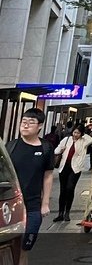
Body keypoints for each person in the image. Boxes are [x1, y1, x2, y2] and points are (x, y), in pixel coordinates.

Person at [7, 108, 54, 261]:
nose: (25, 125)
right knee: (9, 246)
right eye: (23, 122)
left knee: (24, 247)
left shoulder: (46, 148)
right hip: (11, 204)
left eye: (30, 122)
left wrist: (45, 203)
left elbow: (48, 176)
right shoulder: (11, 147)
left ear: (39, 126)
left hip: (33, 206)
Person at [53, 123, 92, 222]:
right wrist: (61, 149)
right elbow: (56, 151)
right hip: (64, 167)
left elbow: (91, 139)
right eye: (75, 132)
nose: (76, 134)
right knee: (63, 191)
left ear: (82, 134)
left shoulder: (84, 141)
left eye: (78, 133)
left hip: (75, 168)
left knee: (70, 188)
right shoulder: (66, 140)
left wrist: (86, 130)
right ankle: (60, 213)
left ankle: (67, 212)